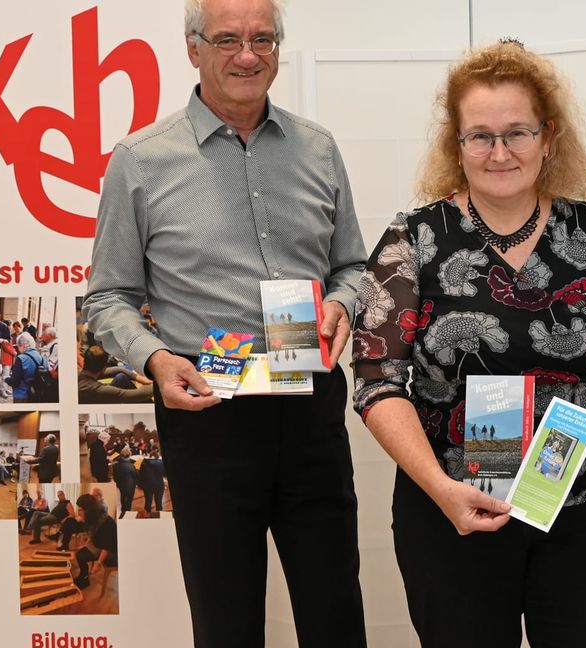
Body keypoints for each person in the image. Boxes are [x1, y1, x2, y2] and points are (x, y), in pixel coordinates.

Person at [352, 40, 586, 648]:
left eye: (517, 132)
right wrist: (441, 491)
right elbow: (376, 383)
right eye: (480, 136)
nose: (500, 152)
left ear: (548, 138)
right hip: (453, 512)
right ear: (457, 145)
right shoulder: (411, 240)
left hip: (583, 509)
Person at [83, 0, 368, 644]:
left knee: (335, 613)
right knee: (227, 619)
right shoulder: (141, 159)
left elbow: (352, 264)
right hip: (209, 410)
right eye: (228, 39)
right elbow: (108, 297)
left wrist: (342, 302)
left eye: (263, 39)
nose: (248, 55)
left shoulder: (318, 149)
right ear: (192, 49)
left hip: (310, 402)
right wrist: (156, 361)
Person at [70, 494, 117, 590]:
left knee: (81, 556)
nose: (79, 512)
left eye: (81, 510)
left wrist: (98, 563)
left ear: (89, 510)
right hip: (100, 544)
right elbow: (93, 534)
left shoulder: (107, 523)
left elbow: (107, 547)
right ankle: (84, 575)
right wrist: (85, 545)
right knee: (79, 554)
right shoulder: (94, 518)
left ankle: (85, 579)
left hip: (110, 551)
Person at [78, 345, 154, 404]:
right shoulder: (96, 389)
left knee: (121, 377)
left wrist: (138, 377)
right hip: (101, 404)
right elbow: (135, 394)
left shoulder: (81, 373)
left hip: (91, 398)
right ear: (104, 368)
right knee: (144, 395)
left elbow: (118, 369)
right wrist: (158, 384)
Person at [5, 332, 49, 403]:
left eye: (18, 346)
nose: (18, 349)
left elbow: (14, 382)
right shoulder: (40, 356)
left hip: (21, 396)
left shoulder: (21, 358)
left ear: (22, 346)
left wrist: (6, 378)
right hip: (37, 394)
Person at [138, 449, 168, 514]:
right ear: (157, 456)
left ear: (150, 456)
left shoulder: (143, 463)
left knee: (148, 502)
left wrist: (140, 485)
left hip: (148, 485)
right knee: (159, 502)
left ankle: (147, 516)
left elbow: (141, 474)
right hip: (159, 485)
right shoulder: (161, 463)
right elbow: (165, 474)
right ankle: (159, 516)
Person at [112, 447, 137, 519]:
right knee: (129, 500)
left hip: (120, 485)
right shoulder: (131, 465)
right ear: (129, 455)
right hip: (130, 486)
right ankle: (128, 513)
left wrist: (118, 483)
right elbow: (135, 475)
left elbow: (115, 477)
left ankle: (123, 510)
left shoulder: (115, 465)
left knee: (122, 497)